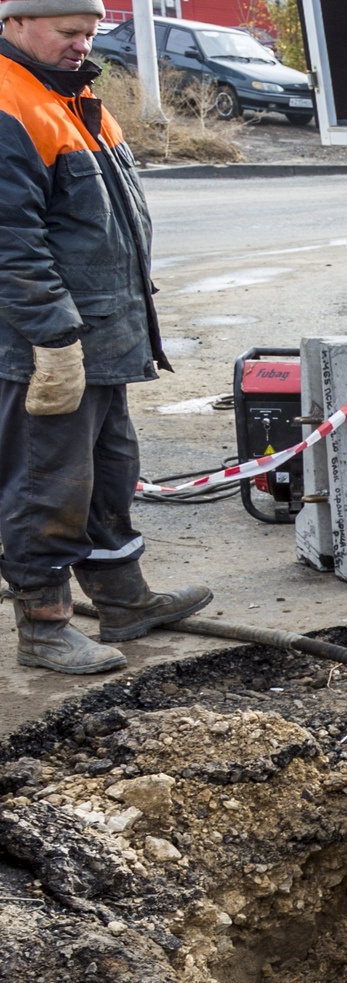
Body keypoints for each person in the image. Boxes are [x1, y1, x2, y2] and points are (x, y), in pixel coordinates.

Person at [0, 0, 208, 677]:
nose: (80, 44)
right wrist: (53, 337)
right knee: (46, 485)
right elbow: (12, 241)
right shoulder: (10, 105)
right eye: (67, 33)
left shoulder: (73, 95)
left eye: (88, 33)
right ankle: (44, 625)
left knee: (109, 476)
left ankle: (124, 600)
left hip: (102, 336)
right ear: (14, 25)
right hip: (46, 344)